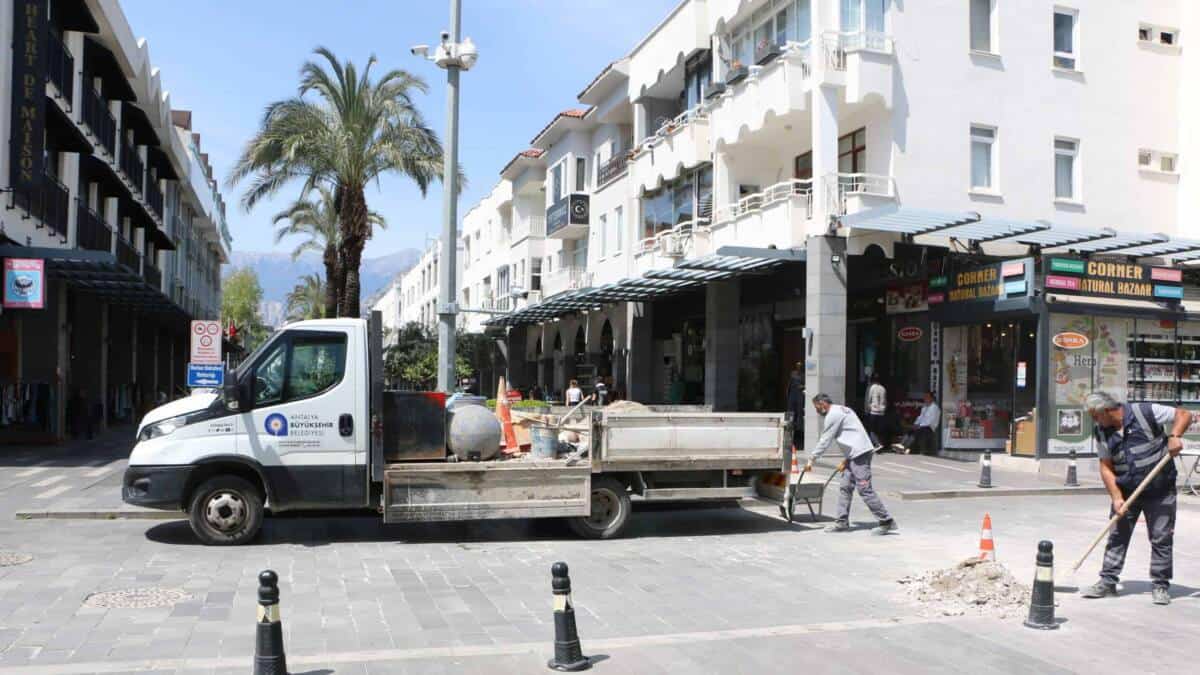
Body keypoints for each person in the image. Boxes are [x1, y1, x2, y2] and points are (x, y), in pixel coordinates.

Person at [1080, 391, 1188, 606]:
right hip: (1127, 490)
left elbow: (1184, 414)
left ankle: (1160, 584)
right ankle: (1107, 581)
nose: (1094, 420)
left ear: (1107, 410)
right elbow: (1106, 466)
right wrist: (1116, 497)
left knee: (1161, 537)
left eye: (1095, 415)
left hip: (1160, 489)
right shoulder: (1101, 431)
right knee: (1117, 535)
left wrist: (1175, 436)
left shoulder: (1145, 412)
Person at [804, 393, 897, 535]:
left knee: (864, 489)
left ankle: (886, 521)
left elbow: (825, 439)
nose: (817, 410)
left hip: (859, 454)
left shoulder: (832, 415)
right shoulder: (843, 409)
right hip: (855, 453)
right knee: (845, 486)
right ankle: (842, 522)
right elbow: (853, 433)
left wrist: (812, 459)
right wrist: (847, 458)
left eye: (816, 407)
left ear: (822, 403)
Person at [786, 362, 805, 451]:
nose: (798, 367)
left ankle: (798, 431)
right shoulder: (792, 374)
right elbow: (789, 385)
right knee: (791, 413)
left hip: (799, 396)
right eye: (797, 365)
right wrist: (788, 394)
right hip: (792, 396)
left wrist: (802, 386)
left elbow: (806, 384)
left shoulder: (803, 375)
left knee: (799, 414)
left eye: (800, 366)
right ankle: (790, 428)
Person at [865, 373, 888, 448]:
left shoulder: (871, 387)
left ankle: (876, 444)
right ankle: (879, 443)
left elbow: (868, 399)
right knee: (879, 430)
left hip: (873, 411)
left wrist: (866, 410)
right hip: (881, 412)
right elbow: (885, 401)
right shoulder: (883, 388)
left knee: (871, 429)